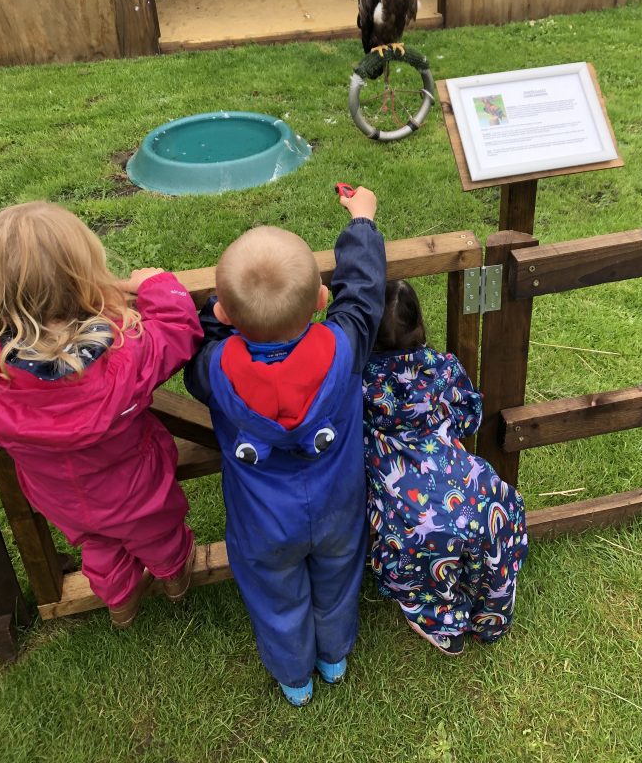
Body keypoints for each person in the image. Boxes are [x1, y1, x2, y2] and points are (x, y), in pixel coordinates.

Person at [184, 187, 385, 706]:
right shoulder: (344, 345)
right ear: (322, 299)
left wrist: (215, 311)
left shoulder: (215, 369)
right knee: (339, 577)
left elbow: (200, 342)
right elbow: (362, 292)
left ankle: (295, 679)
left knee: (275, 596)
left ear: (228, 314)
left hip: (262, 523)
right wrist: (360, 221)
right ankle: (334, 656)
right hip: (339, 505)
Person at [0, 201, 203, 627]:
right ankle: (175, 577)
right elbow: (177, 330)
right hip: (139, 488)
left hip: (61, 497)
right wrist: (157, 285)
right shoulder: (123, 353)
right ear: (83, 272)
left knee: (97, 546)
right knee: (161, 535)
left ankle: (120, 601)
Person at [362, 280, 528, 656]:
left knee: (419, 553)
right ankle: (492, 615)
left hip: (412, 506)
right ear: (418, 323)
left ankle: (442, 624)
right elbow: (469, 416)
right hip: (475, 486)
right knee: (491, 530)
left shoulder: (361, 382)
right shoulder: (443, 367)